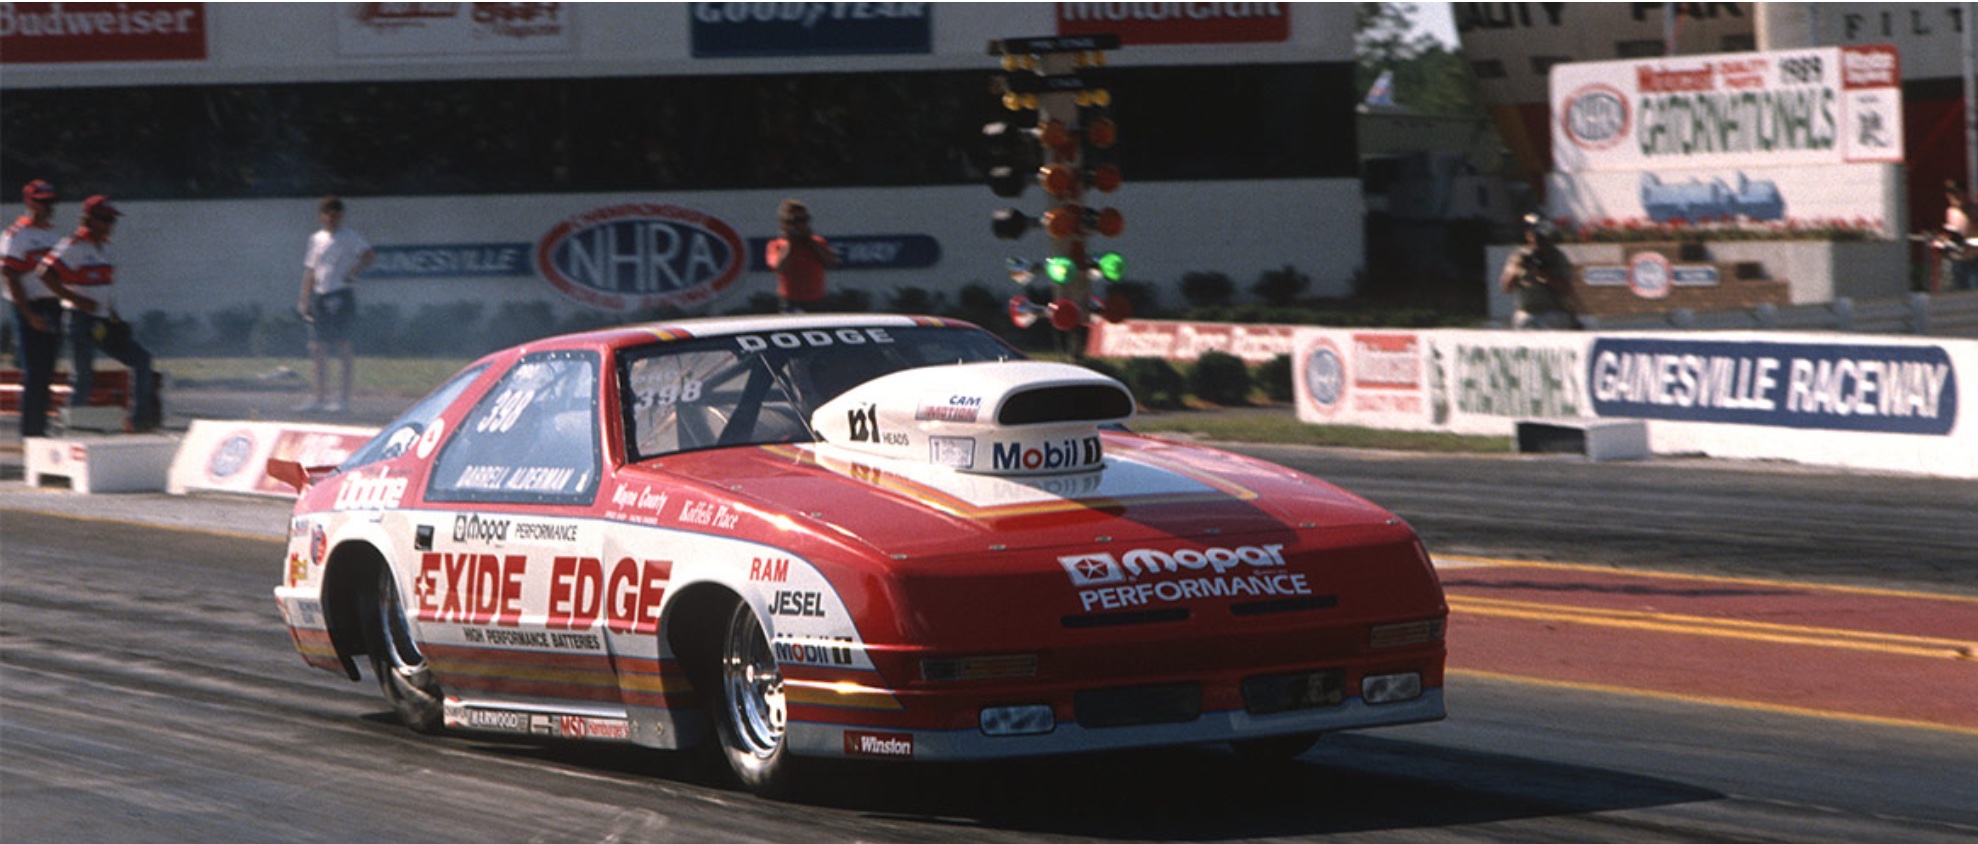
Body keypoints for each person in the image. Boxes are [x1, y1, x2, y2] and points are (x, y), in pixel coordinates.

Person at [38, 194, 160, 432]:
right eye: (104, 219)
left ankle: (139, 422)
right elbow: (44, 273)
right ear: (88, 219)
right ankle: (71, 429)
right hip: (80, 320)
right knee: (83, 376)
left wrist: (114, 316)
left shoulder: (105, 248)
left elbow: (104, 289)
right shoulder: (73, 246)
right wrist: (75, 299)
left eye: (112, 220)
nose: (109, 225)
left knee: (141, 359)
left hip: (103, 321)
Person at [298, 195, 374, 414]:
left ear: (341, 216)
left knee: (344, 347)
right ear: (322, 216)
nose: (332, 219)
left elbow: (368, 255)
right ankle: (319, 397)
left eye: (336, 215)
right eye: (328, 214)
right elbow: (311, 269)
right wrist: (304, 298)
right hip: (320, 296)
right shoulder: (316, 239)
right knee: (317, 348)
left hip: (341, 295)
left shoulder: (349, 237)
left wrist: (353, 271)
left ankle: (343, 400)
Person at [3, 180, 66, 437]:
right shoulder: (17, 235)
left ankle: (39, 428)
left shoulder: (51, 236)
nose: (47, 207)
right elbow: (10, 275)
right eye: (42, 201)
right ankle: (30, 433)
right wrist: (28, 313)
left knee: (46, 372)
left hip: (51, 305)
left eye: (50, 202)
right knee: (35, 372)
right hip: (30, 306)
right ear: (29, 202)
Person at [1499, 213, 1580, 330]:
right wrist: (1516, 269)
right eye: (1531, 233)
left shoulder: (1555, 257)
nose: (1535, 237)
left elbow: (1566, 289)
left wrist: (1542, 275)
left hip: (1552, 313)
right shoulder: (1519, 256)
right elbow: (1506, 288)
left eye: (1539, 234)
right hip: (1525, 314)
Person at [764, 198, 837, 313]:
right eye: (794, 221)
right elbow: (780, 267)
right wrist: (790, 243)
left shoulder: (817, 242)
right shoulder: (776, 245)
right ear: (785, 224)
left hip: (817, 300)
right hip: (791, 301)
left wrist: (810, 241)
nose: (799, 225)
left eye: (803, 220)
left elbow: (830, 262)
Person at [1937, 182, 1977, 292]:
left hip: (1973, 258)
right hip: (1957, 259)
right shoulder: (1951, 212)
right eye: (1951, 195)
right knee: (1959, 291)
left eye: (1957, 194)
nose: (1955, 198)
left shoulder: (1974, 210)